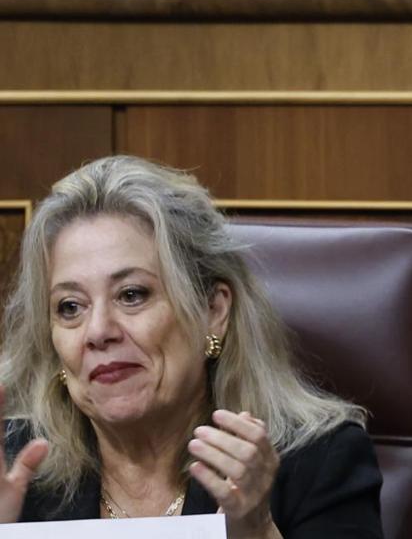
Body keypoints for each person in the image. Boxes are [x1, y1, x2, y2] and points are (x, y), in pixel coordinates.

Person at [0, 155, 382, 535]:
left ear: (213, 310)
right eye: (70, 307)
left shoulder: (316, 463)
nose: (98, 331)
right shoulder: (16, 469)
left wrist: (258, 529)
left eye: (132, 295)